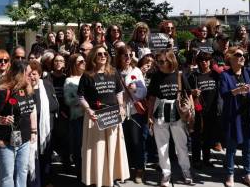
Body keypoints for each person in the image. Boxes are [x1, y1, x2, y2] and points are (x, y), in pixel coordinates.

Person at [77, 45, 129, 187]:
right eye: (99, 54)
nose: (103, 56)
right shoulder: (87, 75)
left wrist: (121, 107)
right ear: (94, 56)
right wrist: (89, 110)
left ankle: (110, 179)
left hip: (112, 115)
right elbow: (80, 96)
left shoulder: (113, 72)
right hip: (95, 117)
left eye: (105, 53)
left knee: (112, 148)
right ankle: (98, 181)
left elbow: (119, 91)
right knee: (98, 150)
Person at [220, 47, 250, 187]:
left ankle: (247, 175)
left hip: (249, 116)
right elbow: (224, 94)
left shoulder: (248, 71)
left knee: (248, 148)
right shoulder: (225, 75)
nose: (243, 57)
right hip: (233, 116)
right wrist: (238, 90)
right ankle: (230, 176)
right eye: (239, 55)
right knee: (231, 149)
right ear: (230, 57)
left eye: (244, 55)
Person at [0, 60, 36, 187]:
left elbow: (31, 111)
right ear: (20, 74)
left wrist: (33, 131)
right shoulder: (2, 91)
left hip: (24, 139)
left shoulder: (28, 90)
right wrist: (1, 119)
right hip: (4, 140)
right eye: (29, 74)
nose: (32, 76)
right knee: (7, 175)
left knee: (23, 172)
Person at [147, 49, 193, 186]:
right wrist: (149, 116)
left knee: (181, 145)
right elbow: (152, 97)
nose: (159, 64)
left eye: (162, 61)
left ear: (170, 60)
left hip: (177, 112)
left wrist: (190, 112)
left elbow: (189, 93)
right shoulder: (156, 76)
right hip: (160, 112)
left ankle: (186, 171)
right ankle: (166, 173)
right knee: (162, 146)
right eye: (158, 61)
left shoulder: (179, 74)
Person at [115, 46, 147, 183]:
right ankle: (125, 170)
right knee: (123, 142)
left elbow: (144, 91)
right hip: (119, 112)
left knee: (136, 141)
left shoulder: (136, 71)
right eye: (125, 55)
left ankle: (139, 170)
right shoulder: (114, 72)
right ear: (119, 56)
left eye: (130, 55)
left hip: (134, 111)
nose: (128, 58)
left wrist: (134, 90)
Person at [28, 61, 59, 187]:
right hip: (30, 129)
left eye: (34, 74)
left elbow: (54, 105)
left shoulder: (46, 85)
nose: (32, 77)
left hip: (46, 128)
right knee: (32, 157)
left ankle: (46, 181)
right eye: (29, 74)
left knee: (45, 157)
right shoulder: (24, 88)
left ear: (40, 74)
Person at [188, 51, 221, 168]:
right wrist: (192, 92)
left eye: (206, 60)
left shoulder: (215, 75)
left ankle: (207, 159)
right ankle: (196, 160)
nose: (204, 62)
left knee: (208, 136)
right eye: (201, 60)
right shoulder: (194, 76)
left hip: (212, 110)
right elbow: (186, 92)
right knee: (196, 136)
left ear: (210, 61)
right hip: (198, 111)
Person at [63, 53, 85, 183]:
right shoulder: (69, 80)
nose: (83, 63)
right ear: (73, 65)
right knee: (79, 147)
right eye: (80, 62)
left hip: (90, 117)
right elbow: (68, 101)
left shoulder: (88, 76)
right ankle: (80, 174)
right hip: (77, 118)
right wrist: (84, 100)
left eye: (83, 61)